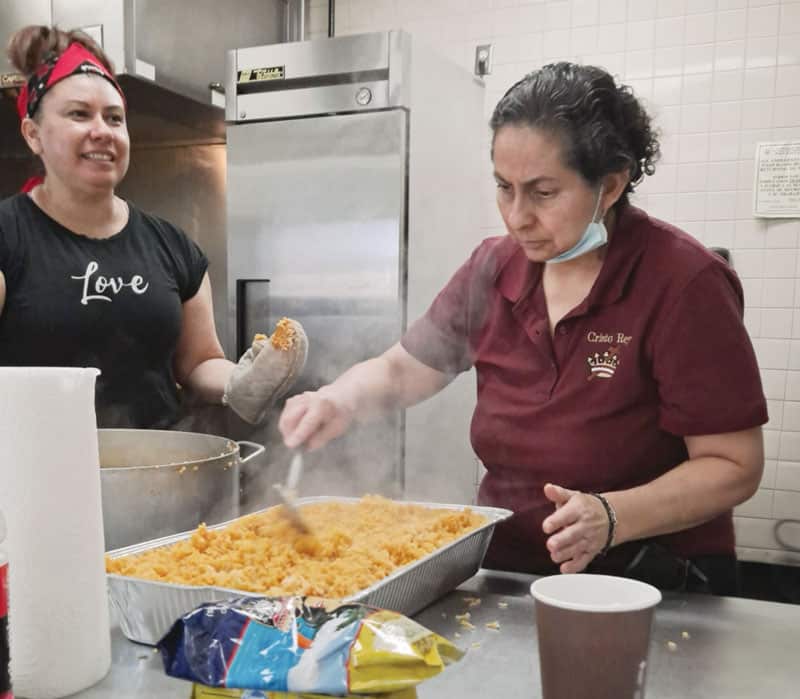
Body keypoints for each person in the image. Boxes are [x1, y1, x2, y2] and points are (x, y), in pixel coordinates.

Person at [279, 63, 768, 595]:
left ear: (610, 183)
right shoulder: (493, 269)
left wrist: (613, 515)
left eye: (542, 192)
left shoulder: (682, 282)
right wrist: (339, 399)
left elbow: (733, 464)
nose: (516, 217)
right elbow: (402, 370)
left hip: (653, 582)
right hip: (509, 573)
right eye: (503, 187)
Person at [0, 26, 306, 429]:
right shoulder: (9, 235)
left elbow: (199, 362)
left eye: (114, 118)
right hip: (38, 476)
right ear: (33, 134)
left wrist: (239, 381)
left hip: (158, 473)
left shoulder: (172, 246)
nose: (102, 131)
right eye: (79, 114)